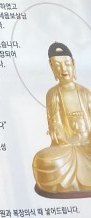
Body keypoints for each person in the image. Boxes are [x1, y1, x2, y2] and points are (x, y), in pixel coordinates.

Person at [33, 42, 91, 195]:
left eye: (67, 64)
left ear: (74, 64)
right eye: (57, 65)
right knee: (43, 160)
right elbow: (55, 121)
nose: (63, 69)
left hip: (88, 145)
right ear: (52, 68)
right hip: (66, 148)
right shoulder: (53, 94)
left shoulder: (85, 93)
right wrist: (60, 136)